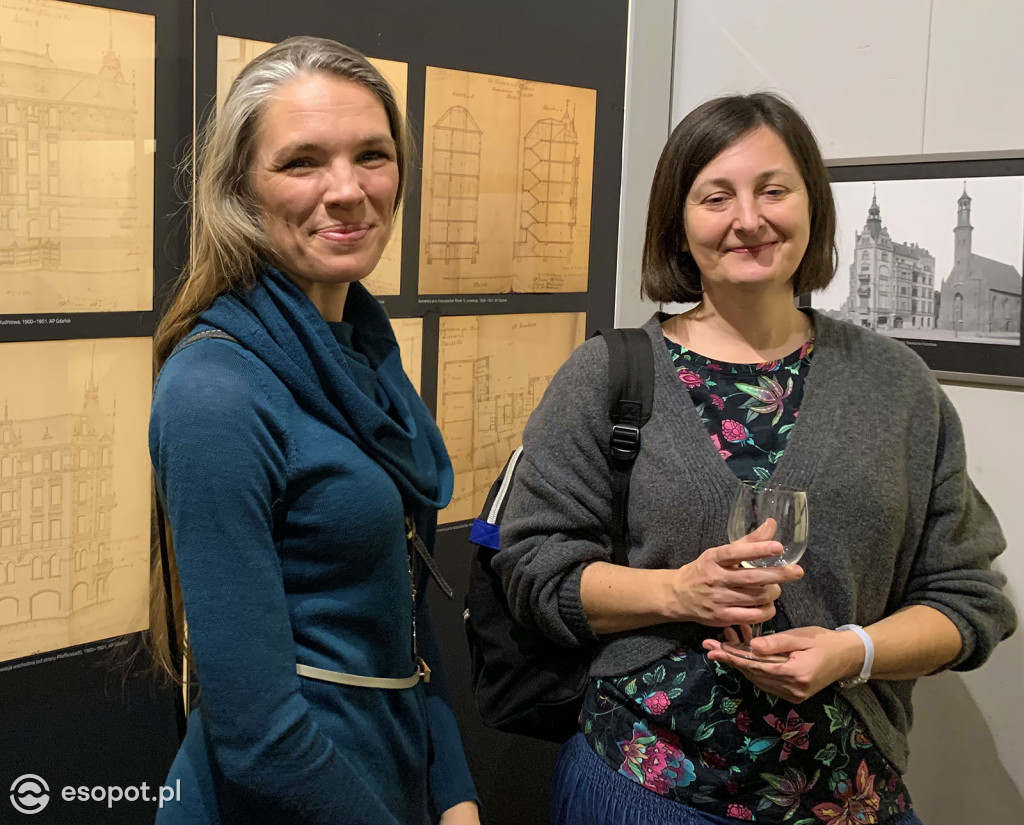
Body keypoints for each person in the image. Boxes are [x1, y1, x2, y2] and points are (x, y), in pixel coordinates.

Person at [496, 92, 1016, 825]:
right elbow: (533, 568)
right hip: (643, 788)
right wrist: (678, 592)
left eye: (773, 189)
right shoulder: (607, 374)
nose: (749, 218)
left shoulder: (897, 385)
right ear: (679, 222)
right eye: (716, 196)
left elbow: (971, 599)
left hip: (850, 794)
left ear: (812, 206)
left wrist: (852, 650)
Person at [148, 36, 479, 825]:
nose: (348, 190)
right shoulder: (215, 391)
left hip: (391, 774)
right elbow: (259, 734)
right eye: (302, 162)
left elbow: (398, 607)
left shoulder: (361, 351)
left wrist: (454, 788)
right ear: (240, 190)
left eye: (373, 154)